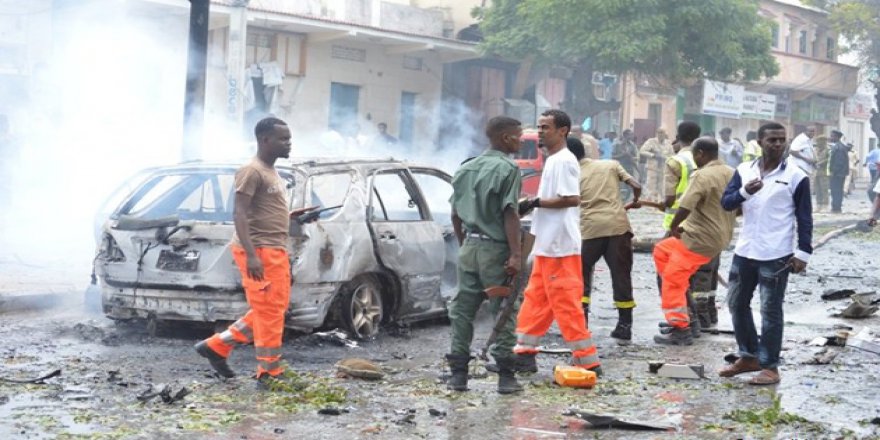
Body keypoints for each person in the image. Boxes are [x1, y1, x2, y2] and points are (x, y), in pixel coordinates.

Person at [195, 117, 315, 388]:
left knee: (271, 309)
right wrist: (251, 255)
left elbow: (263, 209)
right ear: (265, 140)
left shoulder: (271, 171)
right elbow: (239, 213)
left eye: (290, 138)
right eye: (283, 139)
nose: (289, 143)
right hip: (260, 251)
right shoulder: (252, 171)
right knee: (270, 312)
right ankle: (269, 373)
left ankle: (216, 346)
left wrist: (290, 216)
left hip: (274, 248)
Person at [719, 121, 813, 386]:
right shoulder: (744, 170)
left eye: (782, 140)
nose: (778, 144)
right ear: (759, 142)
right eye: (772, 140)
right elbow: (726, 203)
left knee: (770, 310)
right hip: (746, 249)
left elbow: (805, 218)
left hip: (777, 253)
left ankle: (770, 366)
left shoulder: (796, 175)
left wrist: (803, 253)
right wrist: (744, 192)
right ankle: (749, 356)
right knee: (737, 303)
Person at [513, 109, 602, 376]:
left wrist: (534, 202)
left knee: (566, 305)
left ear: (563, 131)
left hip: (560, 246)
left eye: (546, 127)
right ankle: (524, 354)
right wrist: (531, 206)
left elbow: (571, 198)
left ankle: (589, 361)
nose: (541, 131)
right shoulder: (553, 160)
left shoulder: (563, 161)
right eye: (539, 127)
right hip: (548, 244)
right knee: (535, 301)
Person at [446, 116, 525, 394]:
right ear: (505, 138)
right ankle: (506, 376)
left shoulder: (466, 168)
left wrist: (464, 243)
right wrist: (516, 254)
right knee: (503, 310)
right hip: (495, 250)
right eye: (518, 135)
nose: (521, 140)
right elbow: (510, 213)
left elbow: (455, 214)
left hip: (469, 249)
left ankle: (458, 376)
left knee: (462, 311)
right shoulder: (508, 169)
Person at [653, 137, 736, 345]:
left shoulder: (701, 175)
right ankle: (689, 317)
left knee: (672, 279)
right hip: (718, 236)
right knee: (662, 251)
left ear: (700, 154)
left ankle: (681, 328)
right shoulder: (731, 172)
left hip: (699, 239)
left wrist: (674, 226)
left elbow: (686, 205)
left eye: (695, 156)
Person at [572, 137, 641, 345]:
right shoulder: (611, 164)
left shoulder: (572, 173)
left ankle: (582, 324)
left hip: (590, 229)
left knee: (582, 275)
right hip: (617, 227)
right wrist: (634, 201)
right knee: (621, 275)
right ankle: (624, 326)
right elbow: (636, 185)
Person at [639, 128, 674, 200]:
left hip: (663, 168)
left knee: (662, 187)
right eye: (659, 132)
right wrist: (653, 155)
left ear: (665, 134)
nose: (660, 134)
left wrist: (665, 158)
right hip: (652, 168)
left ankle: (660, 203)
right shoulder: (651, 141)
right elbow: (642, 151)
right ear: (656, 133)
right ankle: (651, 204)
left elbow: (672, 155)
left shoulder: (668, 143)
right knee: (651, 186)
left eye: (662, 133)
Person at [612, 129, 639, 200]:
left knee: (629, 186)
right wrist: (623, 155)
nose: (631, 136)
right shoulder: (617, 144)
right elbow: (612, 156)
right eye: (630, 134)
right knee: (619, 185)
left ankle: (626, 201)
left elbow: (634, 157)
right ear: (625, 135)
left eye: (632, 134)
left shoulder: (632, 145)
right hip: (619, 167)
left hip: (629, 168)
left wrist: (637, 168)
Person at [828, 130, 849, 213]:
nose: (830, 137)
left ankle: (836, 208)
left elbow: (839, 162)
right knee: (837, 190)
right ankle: (836, 207)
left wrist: (833, 172)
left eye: (832, 136)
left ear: (837, 137)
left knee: (836, 191)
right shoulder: (838, 146)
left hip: (838, 174)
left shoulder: (839, 147)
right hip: (839, 173)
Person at [812, 133, 830, 212]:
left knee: (824, 189)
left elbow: (829, 159)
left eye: (819, 141)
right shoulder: (816, 150)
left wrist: (820, 163)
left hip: (824, 172)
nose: (818, 143)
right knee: (817, 189)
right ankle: (818, 205)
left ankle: (825, 205)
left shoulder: (828, 150)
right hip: (816, 172)